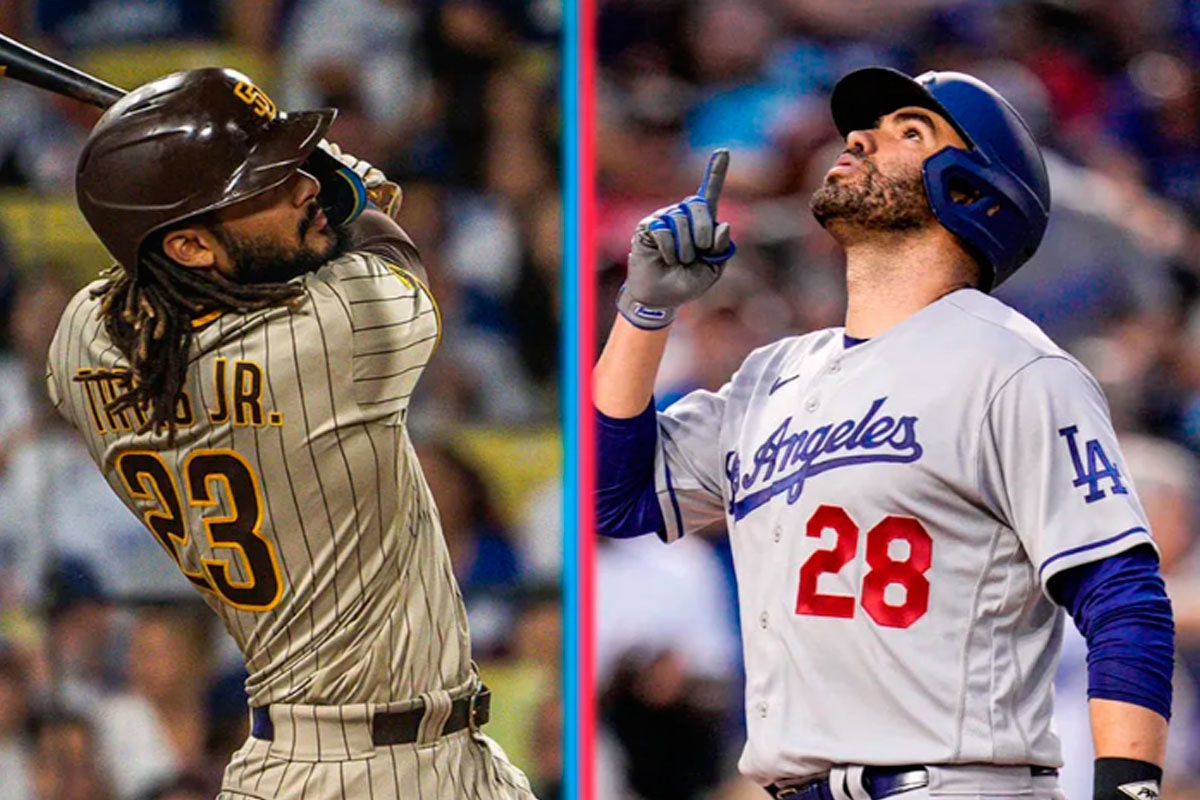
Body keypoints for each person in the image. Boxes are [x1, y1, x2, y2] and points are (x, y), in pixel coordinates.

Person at [595, 67, 1175, 800]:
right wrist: (644, 314)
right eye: (862, 127)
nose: (861, 137)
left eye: (909, 130)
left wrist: (1128, 787)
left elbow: (1122, 594)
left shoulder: (1015, 366)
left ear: (969, 190)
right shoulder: (774, 375)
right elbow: (612, 499)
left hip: (956, 782)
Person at [46, 67, 534, 799]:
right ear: (187, 248)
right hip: (366, 768)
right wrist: (346, 183)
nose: (303, 184)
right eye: (268, 183)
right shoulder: (331, 336)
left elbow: (131, 289)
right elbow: (387, 251)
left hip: (366, 759)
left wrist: (193, 164)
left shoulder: (80, 343)